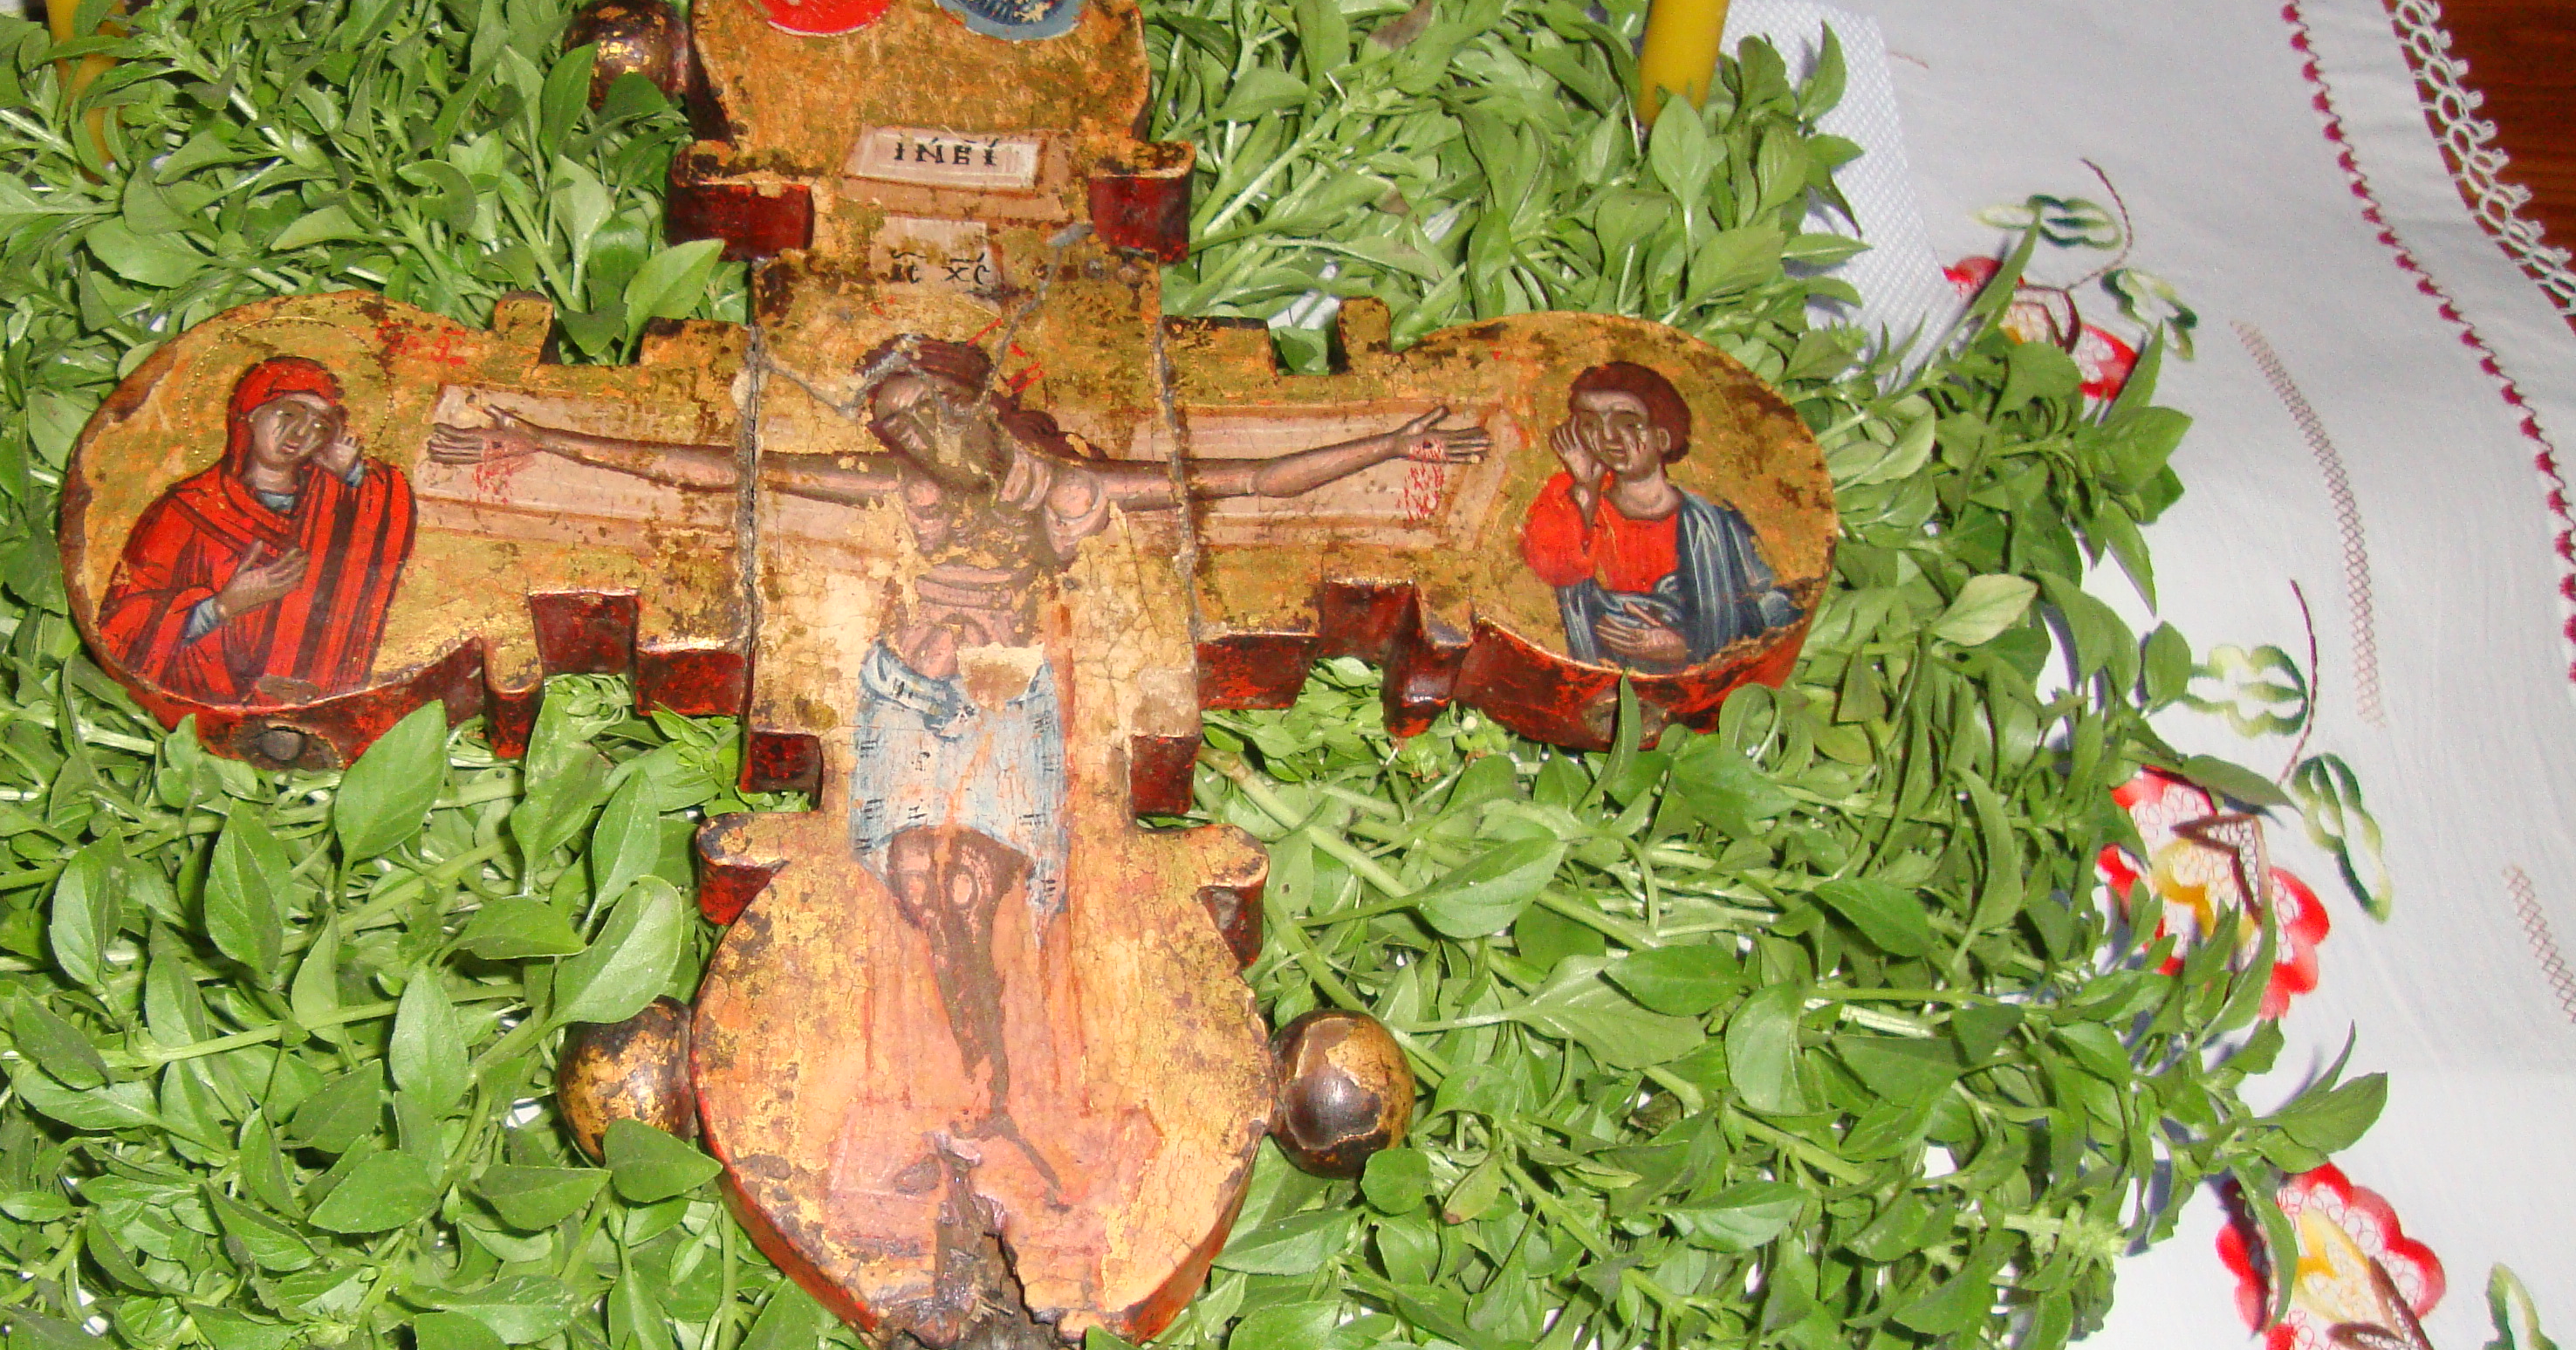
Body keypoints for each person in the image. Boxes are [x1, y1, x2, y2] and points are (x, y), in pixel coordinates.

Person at [430, 338, 1485, 1120]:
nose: (912, 437)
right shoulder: (896, 487)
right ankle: (909, 1089)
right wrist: (540, 439)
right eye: (892, 426)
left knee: (1002, 891)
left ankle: (1008, 1084)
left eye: (925, 412)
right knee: (907, 891)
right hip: (898, 695)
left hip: (1008, 700)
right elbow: (713, 473)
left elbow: (1245, 480)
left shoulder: (1063, 487)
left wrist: (1394, 443)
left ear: (974, 404)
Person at [98, 355, 416, 701]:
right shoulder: (189, 508)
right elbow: (121, 627)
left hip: (311, 693)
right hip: (212, 691)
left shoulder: (333, 504)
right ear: (251, 412)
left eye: (320, 426)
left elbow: (386, 520)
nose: (301, 434)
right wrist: (220, 608)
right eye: (289, 414)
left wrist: (351, 474)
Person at [1516, 360, 1795, 670]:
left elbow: (1766, 614)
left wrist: (1687, 648)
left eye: (1627, 424)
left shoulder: (1715, 523)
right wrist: (1586, 490)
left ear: (1662, 436)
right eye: (1590, 424)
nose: (1607, 437)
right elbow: (1553, 576)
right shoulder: (1571, 503)